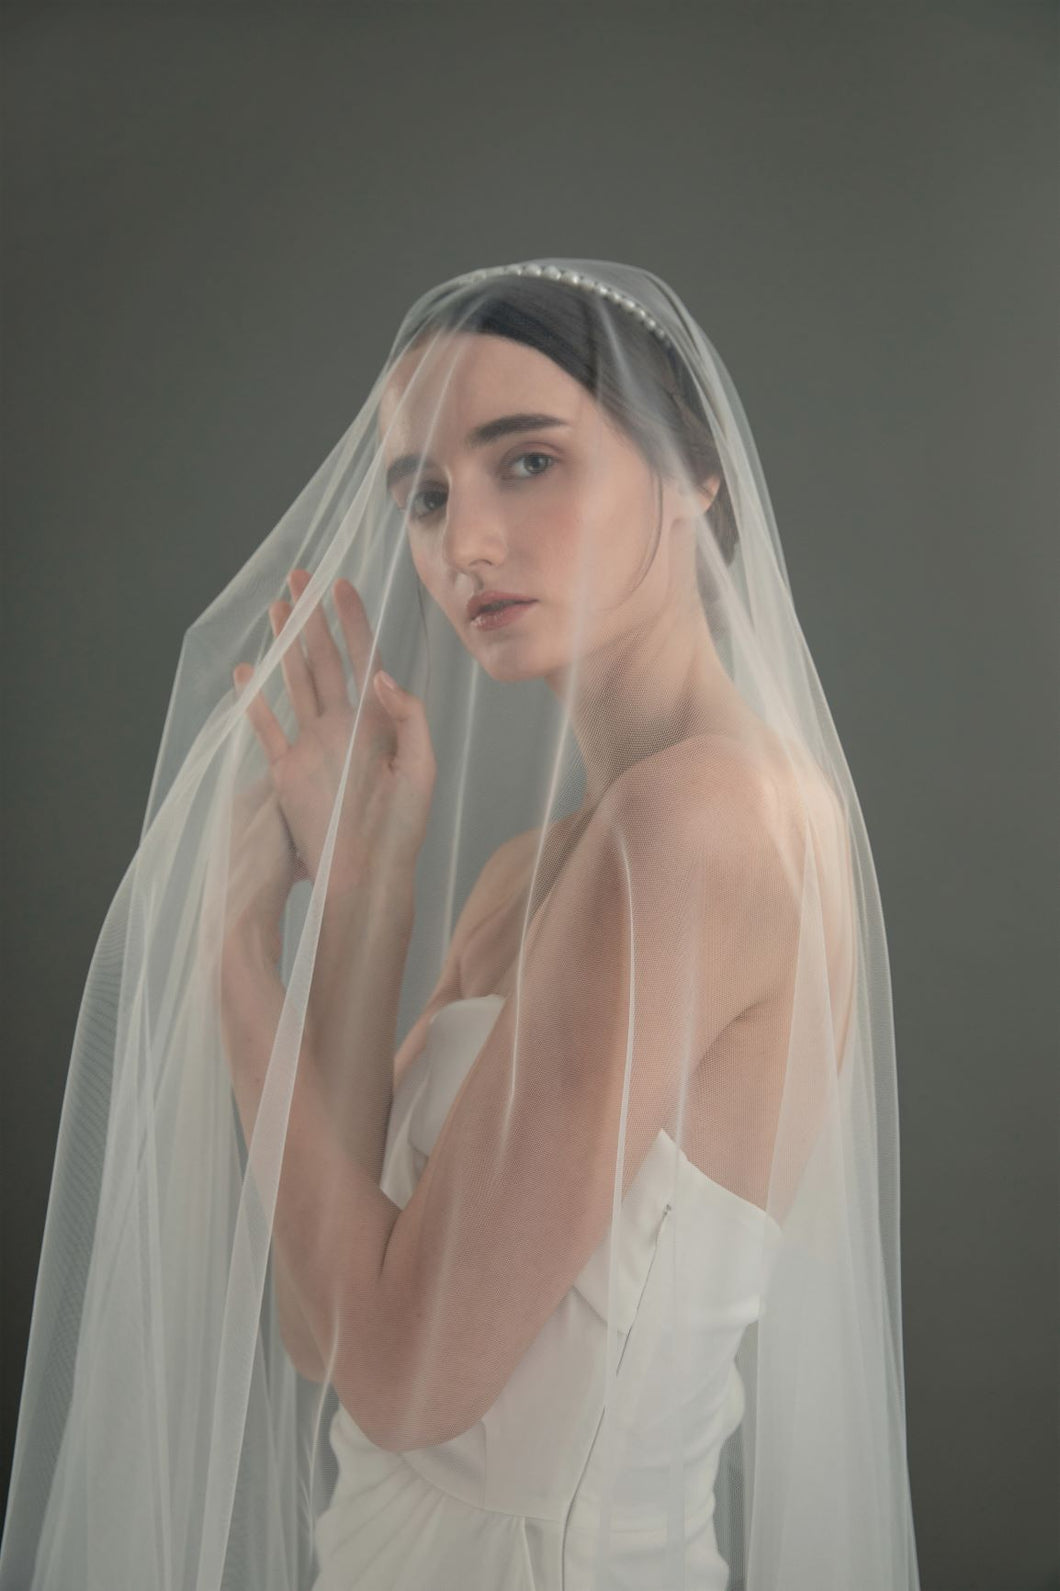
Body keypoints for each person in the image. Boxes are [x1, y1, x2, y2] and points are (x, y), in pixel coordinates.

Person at [1, 259, 922, 1590]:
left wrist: (233, 955)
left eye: (528, 462)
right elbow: (328, 1316)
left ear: (694, 474)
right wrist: (365, 897)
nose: (463, 542)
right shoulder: (527, 873)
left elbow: (404, 1376)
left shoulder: (702, 828)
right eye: (424, 496)